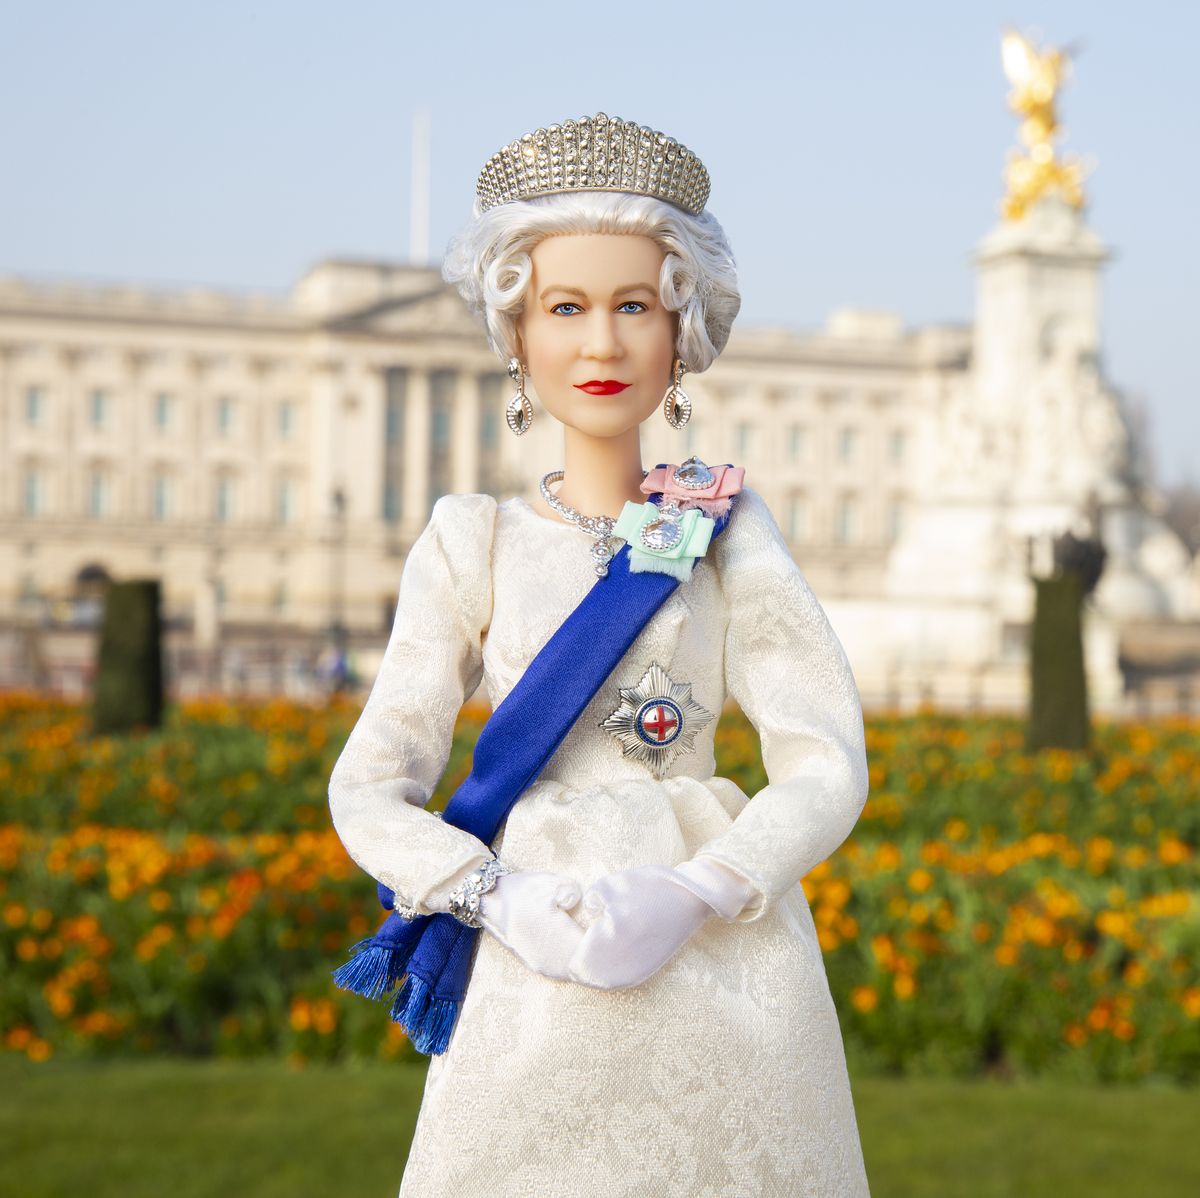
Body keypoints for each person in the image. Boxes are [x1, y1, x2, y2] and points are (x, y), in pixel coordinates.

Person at [328, 113, 872, 1197]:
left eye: (636, 306)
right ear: (516, 333)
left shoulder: (724, 532)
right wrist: (490, 894)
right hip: (538, 967)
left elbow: (825, 760)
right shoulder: (471, 540)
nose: (603, 343)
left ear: (683, 332)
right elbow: (369, 786)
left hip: (723, 968)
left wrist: (707, 886)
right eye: (565, 308)